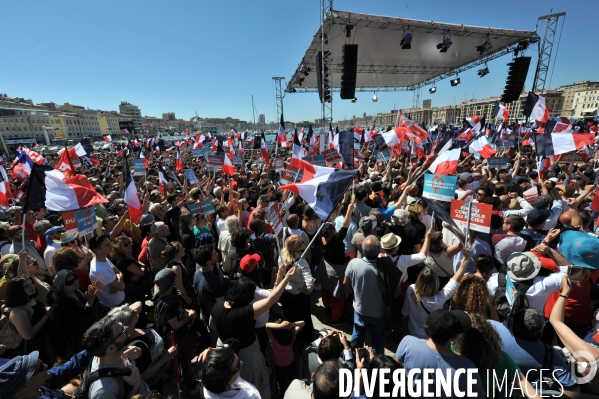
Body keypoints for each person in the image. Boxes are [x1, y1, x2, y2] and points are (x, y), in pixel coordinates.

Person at [209, 266, 298, 399]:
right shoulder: (244, 313)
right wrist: (287, 278)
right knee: (254, 384)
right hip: (248, 355)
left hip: (224, 350)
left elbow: (212, 325)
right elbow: (271, 300)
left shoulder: (218, 305)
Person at [396, 309, 486, 397]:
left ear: (427, 328)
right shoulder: (467, 367)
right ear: (455, 337)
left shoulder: (407, 343)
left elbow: (395, 369)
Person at [153, 267, 206, 394]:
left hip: (169, 334)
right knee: (184, 362)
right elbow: (176, 324)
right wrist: (190, 316)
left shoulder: (161, 295)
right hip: (175, 337)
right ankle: (191, 386)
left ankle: (180, 376)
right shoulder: (170, 304)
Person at [403, 248, 470, 339]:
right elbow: (453, 283)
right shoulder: (439, 299)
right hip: (429, 336)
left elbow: (405, 312)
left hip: (413, 331)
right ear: (436, 283)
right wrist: (465, 260)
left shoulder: (411, 289)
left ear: (419, 279)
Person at [343, 235, 394, 355]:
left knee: (357, 336)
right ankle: (376, 363)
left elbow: (345, 282)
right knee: (378, 341)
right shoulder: (387, 266)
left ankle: (354, 358)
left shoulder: (353, 263)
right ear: (379, 251)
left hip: (360, 309)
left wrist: (354, 293)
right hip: (379, 313)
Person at [107, 302, 178, 387]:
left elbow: (139, 304)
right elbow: (144, 375)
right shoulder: (133, 348)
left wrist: (124, 310)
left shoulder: (134, 328)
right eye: (132, 313)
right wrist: (167, 356)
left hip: (164, 363)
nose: (135, 311)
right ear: (126, 326)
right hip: (155, 379)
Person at [82, 316, 151, 398]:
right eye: (123, 331)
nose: (126, 328)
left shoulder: (111, 352)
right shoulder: (105, 390)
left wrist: (139, 351)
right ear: (111, 348)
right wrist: (136, 386)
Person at [47, 270, 99, 354]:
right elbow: (77, 325)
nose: (75, 282)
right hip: (82, 340)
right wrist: (89, 303)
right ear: (61, 286)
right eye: (70, 282)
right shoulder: (61, 304)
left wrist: (90, 297)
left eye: (75, 278)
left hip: (92, 331)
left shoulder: (77, 291)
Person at [279, 234, 315, 343]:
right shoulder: (302, 263)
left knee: (289, 315)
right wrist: (307, 290)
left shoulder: (282, 255)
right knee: (303, 318)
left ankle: (289, 336)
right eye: (302, 243)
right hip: (299, 295)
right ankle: (305, 339)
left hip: (286, 292)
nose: (304, 243)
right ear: (297, 248)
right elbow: (310, 284)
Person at [89, 234, 126, 315]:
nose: (111, 246)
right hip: (115, 304)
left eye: (110, 243)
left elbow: (119, 272)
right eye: (107, 245)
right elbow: (122, 286)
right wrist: (118, 283)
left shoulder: (104, 258)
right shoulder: (99, 270)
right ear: (97, 250)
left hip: (119, 299)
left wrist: (117, 282)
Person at [266, 319, 305, 393]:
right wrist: (291, 324)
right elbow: (303, 323)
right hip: (291, 362)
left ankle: (283, 394)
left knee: (281, 383)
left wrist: (280, 326)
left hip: (279, 365)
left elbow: (267, 325)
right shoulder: (291, 337)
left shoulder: (273, 341)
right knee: (293, 379)